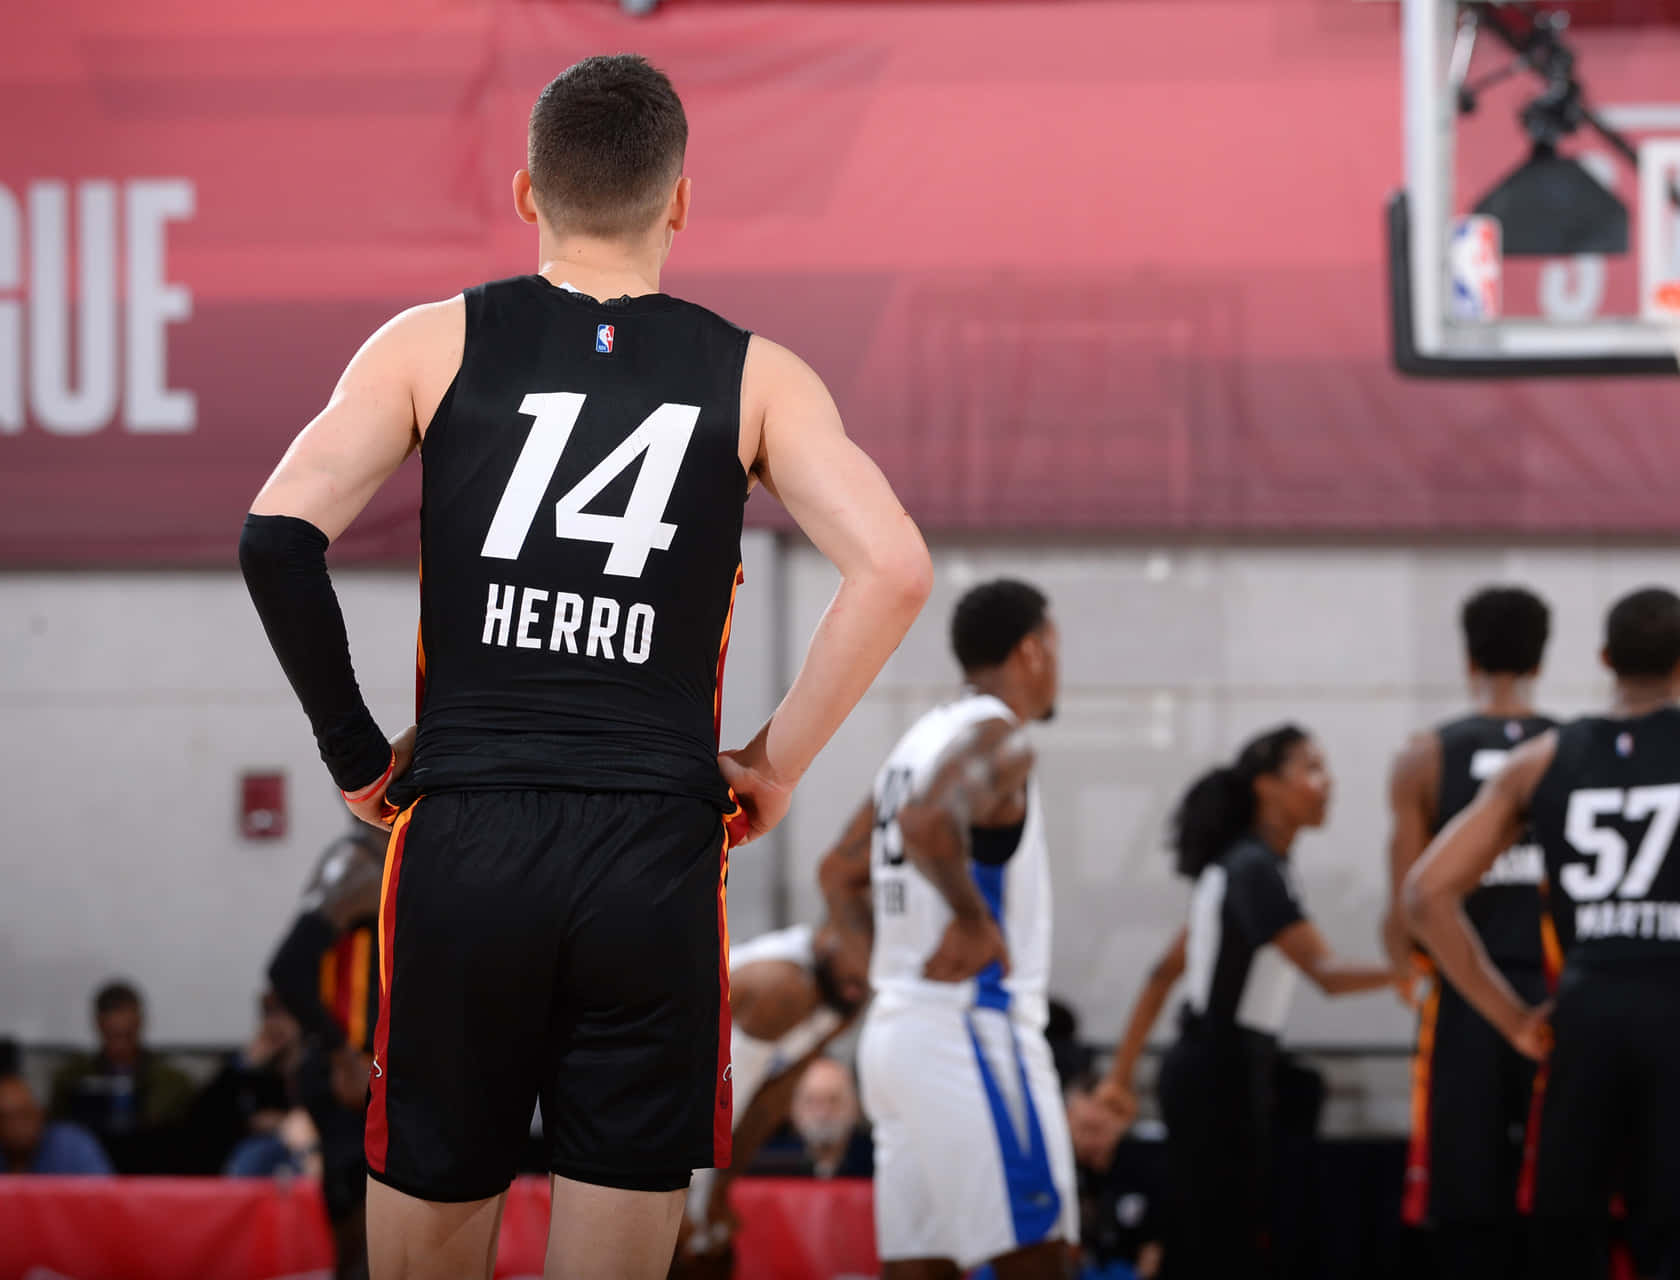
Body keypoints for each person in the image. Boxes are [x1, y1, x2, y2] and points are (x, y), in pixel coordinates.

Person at [237, 53, 931, 1280]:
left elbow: (277, 538)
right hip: (653, 851)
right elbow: (892, 568)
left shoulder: (430, 342)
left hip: (468, 838)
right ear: (678, 202)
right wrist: (772, 764)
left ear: (525, 194)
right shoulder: (758, 373)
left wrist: (358, 759)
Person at [1405, 587, 1680, 1280]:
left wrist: (1512, 1019)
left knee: (1571, 1234)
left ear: (1606, 660)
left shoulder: (1543, 758)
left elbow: (1424, 894)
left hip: (1583, 1011)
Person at [834, 579, 1075, 1280]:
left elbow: (836, 872)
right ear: (1032, 650)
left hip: (896, 1037)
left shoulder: (918, 740)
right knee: (1045, 1255)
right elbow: (928, 823)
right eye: (1056, 648)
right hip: (971, 1029)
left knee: (923, 1265)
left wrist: (880, 967)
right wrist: (973, 919)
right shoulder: (1002, 738)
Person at [1099, 727, 1399, 1279]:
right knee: (1215, 1244)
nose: (1327, 783)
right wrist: (1417, 973)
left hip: (1218, 1069)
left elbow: (1163, 974)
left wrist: (1120, 1078)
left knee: (1211, 1238)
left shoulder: (1246, 866)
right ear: (1267, 786)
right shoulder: (1254, 868)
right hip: (1218, 1072)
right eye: (1311, 768)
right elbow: (1327, 975)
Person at [1378, 586, 1555, 1276]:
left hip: (1464, 995)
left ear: (1467, 657)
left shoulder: (1425, 755)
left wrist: (1405, 969)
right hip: (1557, 995)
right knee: (1563, 1195)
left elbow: (1406, 908)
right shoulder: (1569, 749)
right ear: (1542, 655)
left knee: (1468, 1204)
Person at [676, 913, 871, 1271]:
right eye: (861, 955)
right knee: (688, 1249)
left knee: (714, 1247)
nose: (865, 974)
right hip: (669, 1105)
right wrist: (690, 1202)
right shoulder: (782, 985)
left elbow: (772, 1100)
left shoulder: (847, 993)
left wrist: (723, 1187)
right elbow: (718, 1097)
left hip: (709, 1111)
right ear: (828, 939)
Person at [266, 821, 390, 1280]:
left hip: (366, 1069)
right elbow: (288, 967)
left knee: (377, 1238)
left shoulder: (381, 860)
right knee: (360, 1240)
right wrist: (343, 1056)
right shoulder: (357, 865)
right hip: (348, 1074)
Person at [49, 980, 195, 1174]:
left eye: (128, 1034)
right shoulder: (71, 1078)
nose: (120, 1045)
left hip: (152, 1164)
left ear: (140, 1023)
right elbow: (56, 1131)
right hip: (90, 1163)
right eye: (113, 1035)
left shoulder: (173, 1082)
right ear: (99, 1025)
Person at [182, 989, 300, 1175]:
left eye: (282, 1013)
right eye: (268, 1014)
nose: (274, 1024)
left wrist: (284, 1122)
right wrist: (244, 1064)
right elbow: (201, 1122)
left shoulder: (319, 1063)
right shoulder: (251, 1069)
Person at [1064, 1079, 1165, 1280]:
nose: (1089, 1141)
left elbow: (1152, 1257)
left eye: (1098, 1129)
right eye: (1082, 1129)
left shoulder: (1149, 1169)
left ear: (1119, 1124)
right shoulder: (1062, 1171)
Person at [2, 1073, 114, 1175]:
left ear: (40, 1113)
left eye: (25, 1114)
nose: (17, 1126)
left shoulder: (73, 1146)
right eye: (6, 1118)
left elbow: (104, 1191)